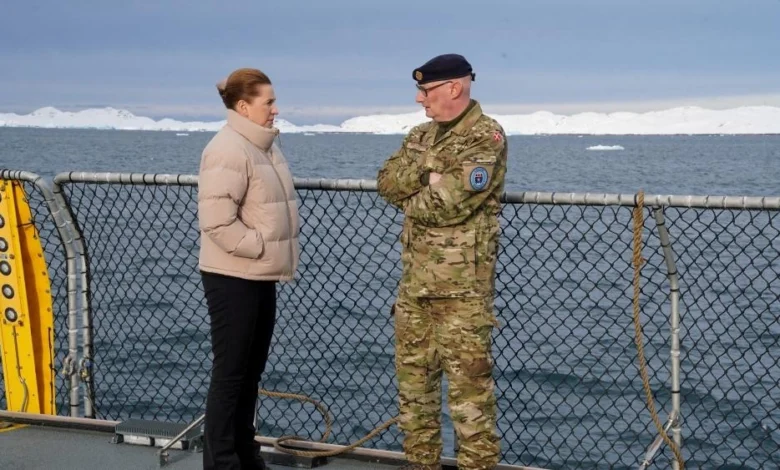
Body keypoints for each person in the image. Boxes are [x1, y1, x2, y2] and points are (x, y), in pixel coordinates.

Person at [377, 54, 507, 470]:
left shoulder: (486, 137)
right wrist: (428, 173)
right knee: (415, 400)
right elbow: (386, 182)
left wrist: (416, 190)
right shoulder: (420, 135)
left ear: (454, 87)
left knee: (471, 406)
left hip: (462, 296)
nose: (420, 99)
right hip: (414, 291)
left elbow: (446, 204)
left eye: (426, 90)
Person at [197, 67, 300, 470]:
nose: (275, 109)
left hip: (258, 274)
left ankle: (244, 452)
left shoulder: (263, 146)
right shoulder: (228, 149)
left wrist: (263, 254)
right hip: (233, 277)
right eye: (268, 101)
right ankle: (222, 462)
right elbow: (217, 222)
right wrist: (259, 246)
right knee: (231, 373)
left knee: (250, 371)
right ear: (244, 106)